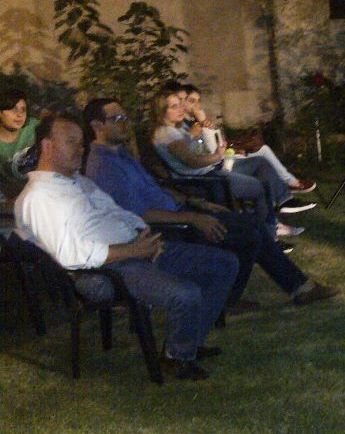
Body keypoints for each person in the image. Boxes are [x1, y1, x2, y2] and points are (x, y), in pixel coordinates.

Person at [14, 114, 240, 380]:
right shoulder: (39, 197)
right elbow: (71, 255)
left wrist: (144, 235)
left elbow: (117, 212)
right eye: (71, 141)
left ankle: (187, 344)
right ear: (48, 146)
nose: (81, 148)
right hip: (102, 271)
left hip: (135, 250)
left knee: (224, 264)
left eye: (81, 142)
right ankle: (176, 358)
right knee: (186, 294)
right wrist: (134, 250)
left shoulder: (79, 182)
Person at [83, 99, 339, 307]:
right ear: (97, 125)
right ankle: (248, 296)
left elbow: (155, 190)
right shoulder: (104, 166)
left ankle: (284, 290)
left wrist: (196, 203)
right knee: (250, 234)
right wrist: (193, 217)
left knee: (252, 225)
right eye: (117, 118)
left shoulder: (121, 155)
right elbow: (140, 214)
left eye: (124, 116)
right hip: (165, 230)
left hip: (180, 212)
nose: (125, 122)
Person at [182, 83, 316, 195]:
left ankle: (290, 183)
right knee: (261, 161)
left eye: (199, 101)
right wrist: (203, 126)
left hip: (221, 159)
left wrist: (208, 127)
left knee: (263, 150)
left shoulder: (197, 123)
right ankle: (285, 191)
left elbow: (220, 143)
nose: (197, 106)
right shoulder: (189, 127)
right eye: (192, 101)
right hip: (215, 168)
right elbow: (210, 151)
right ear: (183, 103)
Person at [0, 89, 39, 198]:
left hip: (38, 192)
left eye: (23, 110)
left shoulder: (34, 128)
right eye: (14, 110)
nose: (20, 114)